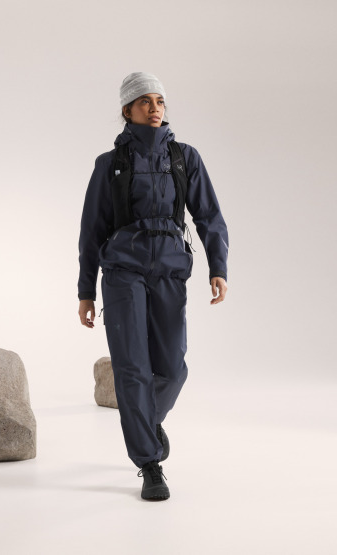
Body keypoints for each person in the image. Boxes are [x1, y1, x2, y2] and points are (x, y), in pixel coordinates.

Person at [77, 72, 229, 501]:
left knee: (173, 368)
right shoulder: (109, 164)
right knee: (131, 368)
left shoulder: (184, 157)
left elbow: (209, 216)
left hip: (170, 270)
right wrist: (86, 291)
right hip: (122, 272)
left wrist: (218, 266)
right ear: (128, 110)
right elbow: (91, 230)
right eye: (145, 101)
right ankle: (149, 464)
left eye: (160, 100)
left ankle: (145, 420)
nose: (155, 107)